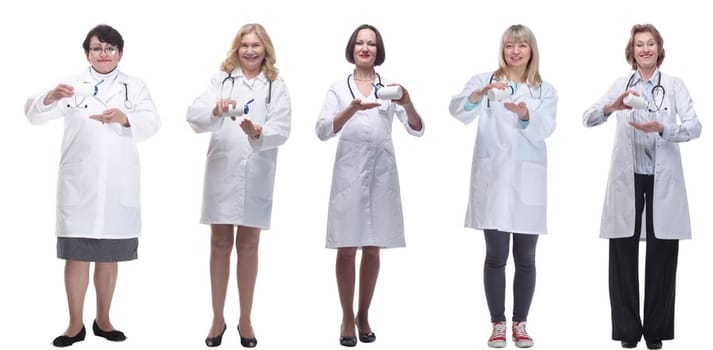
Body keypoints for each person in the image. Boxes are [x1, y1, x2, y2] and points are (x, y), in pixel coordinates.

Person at [24, 24, 161, 348]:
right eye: (97, 48)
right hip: (80, 185)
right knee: (77, 256)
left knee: (109, 256)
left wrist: (124, 118)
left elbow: (153, 121)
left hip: (116, 187)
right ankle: (74, 324)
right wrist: (50, 96)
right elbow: (33, 114)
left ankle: (103, 319)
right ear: (87, 52)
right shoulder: (70, 85)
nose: (104, 54)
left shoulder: (135, 86)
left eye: (110, 48)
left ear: (120, 53)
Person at [582, 24, 701, 350]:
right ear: (631, 51)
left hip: (663, 177)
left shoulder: (675, 86)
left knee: (662, 255)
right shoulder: (620, 85)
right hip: (628, 176)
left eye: (650, 44)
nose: (645, 49)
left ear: (659, 48)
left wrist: (663, 128)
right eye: (639, 45)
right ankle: (628, 332)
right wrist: (612, 108)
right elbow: (588, 117)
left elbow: (694, 127)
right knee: (623, 254)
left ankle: (656, 332)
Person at [448, 24, 557, 349]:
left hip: (528, 180)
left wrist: (525, 114)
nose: (515, 51)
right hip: (493, 179)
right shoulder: (484, 80)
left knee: (526, 257)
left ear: (531, 50)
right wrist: (478, 95)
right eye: (510, 45)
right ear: (503, 49)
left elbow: (547, 127)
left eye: (522, 45)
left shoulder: (544, 90)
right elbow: (457, 111)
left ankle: (520, 324)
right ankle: (497, 324)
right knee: (495, 255)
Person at [315, 24, 424, 347]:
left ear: (379, 50)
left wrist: (406, 102)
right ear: (351, 48)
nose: (365, 48)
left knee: (373, 247)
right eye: (360, 43)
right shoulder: (338, 88)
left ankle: (364, 314)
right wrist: (350, 109)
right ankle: (347, 316)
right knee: (347, 246)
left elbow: (417, 129)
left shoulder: (390, 87)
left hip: (381, 176)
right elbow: (322, 130)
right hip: (348, 175)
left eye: (371, 44)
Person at [185, 23, 291, 348]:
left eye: (256, 45)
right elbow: (193, 115)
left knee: (248, 246)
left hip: (257, 171)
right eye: (244, 45)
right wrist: (214, 109)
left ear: (265, 50)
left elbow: (283, 127)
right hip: (222, 169)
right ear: (236, 48)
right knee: (219, 244)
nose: (249, 51)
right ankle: (218, 317)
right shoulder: (221, 80)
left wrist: (259, 132)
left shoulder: (276, 85)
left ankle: (245, 318)